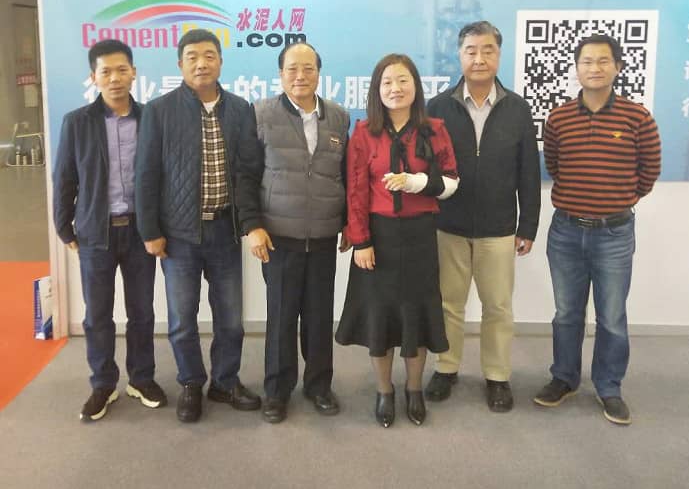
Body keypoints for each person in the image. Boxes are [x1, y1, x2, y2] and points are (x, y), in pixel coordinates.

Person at [135, 29, 262, 423]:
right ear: (180, 64)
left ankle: (225, 381)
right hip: (178, 236)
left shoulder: (240, 109)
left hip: (225, 230)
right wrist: (150, 231)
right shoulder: (159, 110)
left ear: (221, 61)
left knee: (230, 319)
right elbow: (145, 174)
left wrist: (250, 223)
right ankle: (191, 382)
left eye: (209, 55)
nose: (201, 63)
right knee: (181, 318)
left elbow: (248, 171)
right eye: (192, 57)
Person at [534, 34, 661, 425]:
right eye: (586, 61)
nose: (594, 68)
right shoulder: (559, 118)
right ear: (576, 68)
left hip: (614, 234)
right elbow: (554, 166)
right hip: (566, 232)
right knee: (566, 313)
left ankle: (609, 387)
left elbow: (649, 170)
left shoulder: (637, 117)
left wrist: (618, 200)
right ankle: (564, 377)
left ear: (617, 67)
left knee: (612, 317)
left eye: (603, 61)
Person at [335, 54, 458, 427]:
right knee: (380, 318)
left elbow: (451, 182)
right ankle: (385, 390)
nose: (395, 88)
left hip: (420, 236)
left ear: (416, 86)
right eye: (387, 82)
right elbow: (356, 191)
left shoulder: (434, 130)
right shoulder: (363, 133)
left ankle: (414, 388)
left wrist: (417, 183)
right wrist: (361, 241)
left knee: (417, 315)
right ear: (377, 90)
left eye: (403, 80)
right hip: (379, 238)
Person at [424, 20, 541, 412]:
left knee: (498, 307)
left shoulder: (517, 108)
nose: (479, 58)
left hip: (499, 227)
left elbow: (529, 172)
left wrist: (528, 226)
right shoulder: (438, 107)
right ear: (459, 56)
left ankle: (497, 376)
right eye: (471, 51)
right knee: (448, 303)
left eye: (487, 50)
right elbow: (426, 170)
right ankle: (446, 368)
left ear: (499, 55)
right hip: (448, 225)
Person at [53, 39, 166, 422]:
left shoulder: (152, 118)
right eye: (106, 72)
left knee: (142, 311)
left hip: (140, 232)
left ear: (134, 73)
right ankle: (103, 383)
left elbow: (162, 176)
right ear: (94, 77)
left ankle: (142, 378)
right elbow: (64, 178)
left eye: (122, 70)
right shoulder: (77, 122)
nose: (115, 78)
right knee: (97, 314)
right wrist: (64, 226)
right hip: (94, 233)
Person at [237, 42, 350, 424]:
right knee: (282, 317)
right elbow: (246, 176)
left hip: (323, 235)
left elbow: (344, 175)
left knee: (319, 317)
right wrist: (252, 226)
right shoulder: (261, 114)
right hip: (278, 234)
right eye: (292, 69)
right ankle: (277, 390)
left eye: (308, 68)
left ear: (319, 72)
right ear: (281, 74)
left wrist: (348, 223)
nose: (300, 76)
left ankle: (319, 386)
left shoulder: (338, 117)